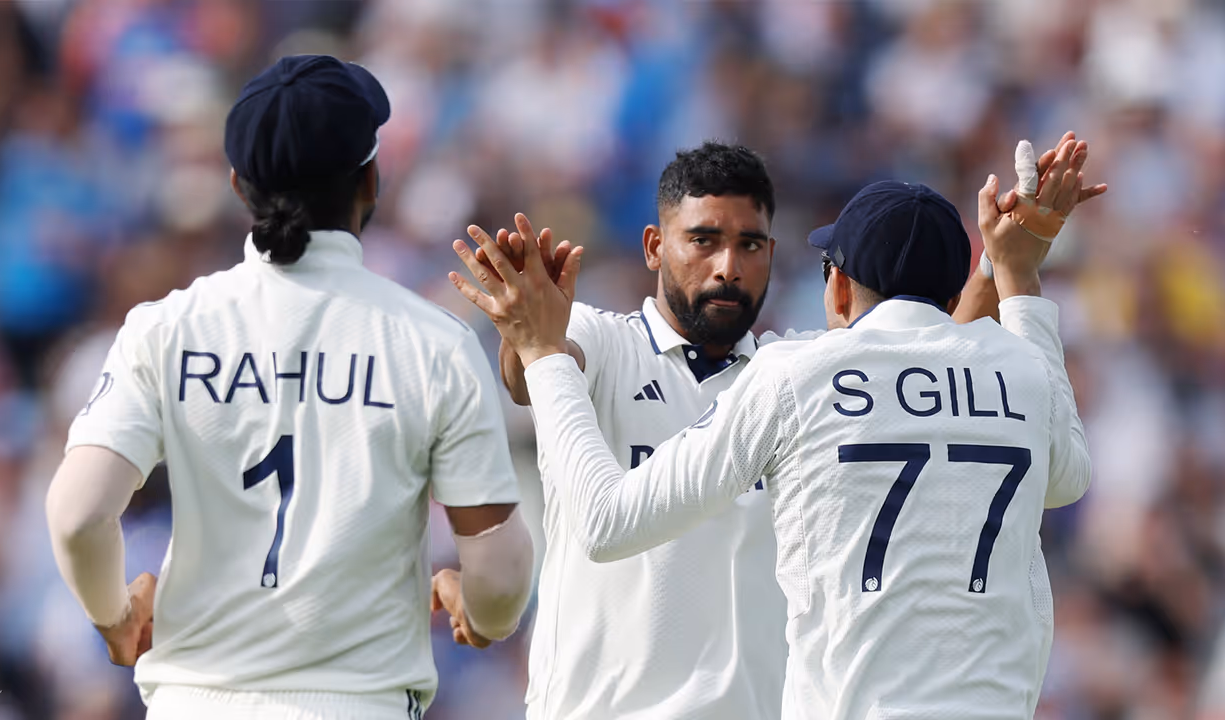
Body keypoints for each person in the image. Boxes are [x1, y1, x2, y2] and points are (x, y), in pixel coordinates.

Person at [451, 138, 1098, 719]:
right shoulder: (609, 339)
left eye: (751, 244)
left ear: (834, 285)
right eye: (703, 240)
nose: (728, 266)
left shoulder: (792, 374)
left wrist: (537, 346)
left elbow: (915, 350)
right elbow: (535, 365)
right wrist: (1012, 270)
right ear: (655, 245)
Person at [44, 55, 534, 720]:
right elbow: (500, 573)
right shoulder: (434, 343)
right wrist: (481, 611)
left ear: (237, 186)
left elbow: (78, 516)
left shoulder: (166, 328)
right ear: (371, 179)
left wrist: (114, 615)